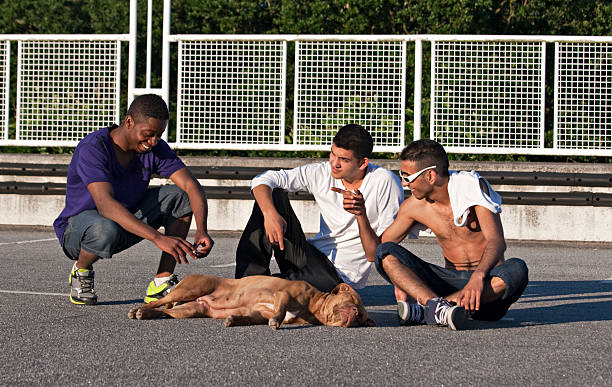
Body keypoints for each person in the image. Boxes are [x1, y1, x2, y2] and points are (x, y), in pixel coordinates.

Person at [53, 94, 214, 306]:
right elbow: (105, 204)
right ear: (129, 122)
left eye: (159, 135)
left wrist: (202, 229)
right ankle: (81, 270)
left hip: (122, 222)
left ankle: (161, 282)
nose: (153, 142)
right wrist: (158, 238)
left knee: (180, 196)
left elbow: (191, 186)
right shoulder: (93, 148)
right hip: (79, 232)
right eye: (148, 135)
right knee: (105, 227)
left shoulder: (155, 147)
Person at [371, 139, 528, 330]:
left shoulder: (471, 187)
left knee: (517, 269)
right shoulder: (413, 207)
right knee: (385, 252)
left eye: (407, 176)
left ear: (430, 176)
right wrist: (360, 213)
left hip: (486, 288)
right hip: (449, 280)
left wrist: (478, 277)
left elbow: (496, 241)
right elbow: (379, 252)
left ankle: (430, 309)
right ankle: (437, 308)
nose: (404, 183)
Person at [235, 124, 404, 292]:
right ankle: (247, 281)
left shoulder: (385, 182)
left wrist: (361, 214)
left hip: (339, 277)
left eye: (344, 160)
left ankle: (257, 288)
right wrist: (270, 214)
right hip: (310, 256)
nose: (334, 163)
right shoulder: (322, 171)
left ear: (362, 163)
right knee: (273, 193)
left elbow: (376, 254)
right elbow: (262, 179)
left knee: (273, 292)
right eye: (332, 154)